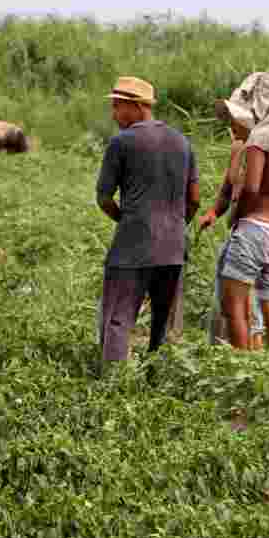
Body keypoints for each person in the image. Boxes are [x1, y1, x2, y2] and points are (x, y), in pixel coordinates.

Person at [95, 76, 201, 374]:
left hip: (132, 247)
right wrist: (175, 225)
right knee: (162, 322)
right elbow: (194, 199)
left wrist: (127, 220)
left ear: (137, 106)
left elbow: (103, 197)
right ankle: (158, 381)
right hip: (173, 249)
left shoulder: (121, 143)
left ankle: (112, 384)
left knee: (118, 318)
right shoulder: (182, 142)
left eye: (118, 107)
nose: (114, 114)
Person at [203, 70, 269, 351]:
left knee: (233, 305)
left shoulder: (258, 141)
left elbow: (250, 189)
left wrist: (240, 216)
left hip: (253, 231)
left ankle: (243, 366)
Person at [198, 126, 267, 349]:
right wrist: (214, 212)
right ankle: (226, 354)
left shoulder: (266, 148)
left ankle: (251, 359)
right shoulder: (238, 148)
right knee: (225, 297)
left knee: (248, 299)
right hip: (236, 233)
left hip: (255, 234)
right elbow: (228, 190)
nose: (230, 125)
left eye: (234, 119)